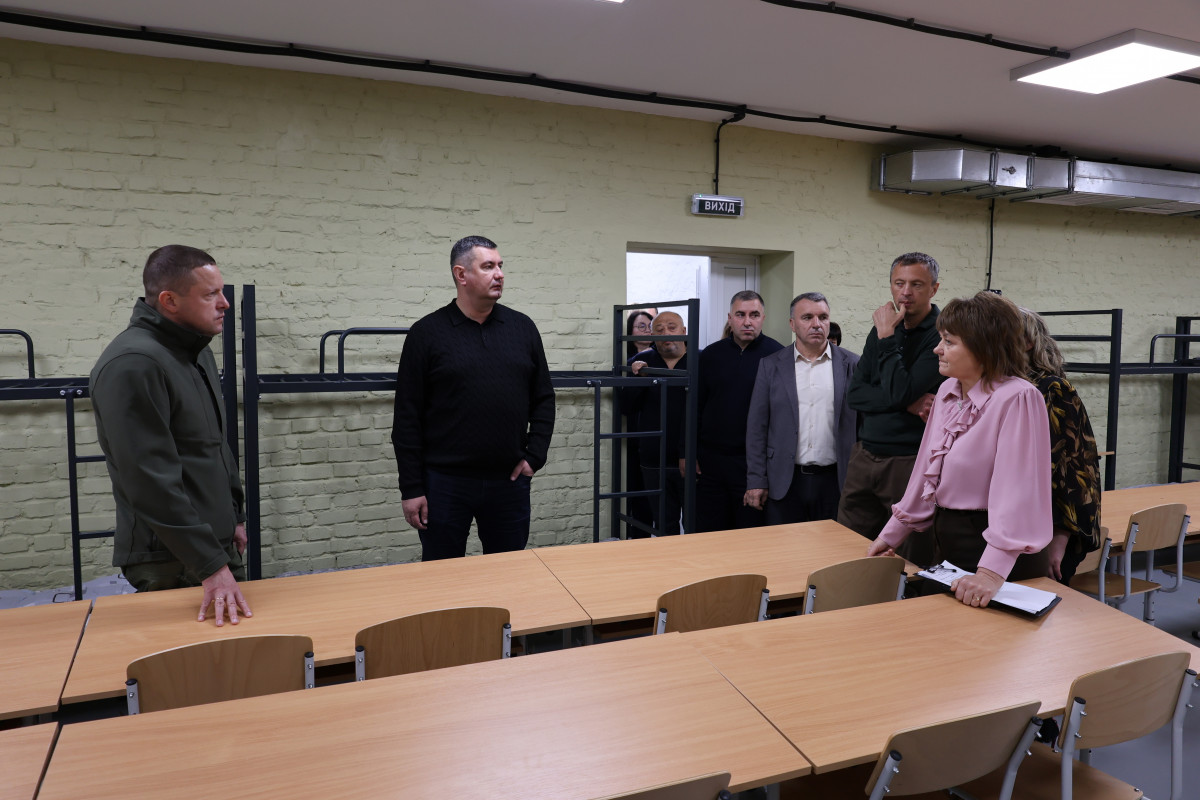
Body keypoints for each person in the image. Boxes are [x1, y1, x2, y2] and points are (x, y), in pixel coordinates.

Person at [90, 245, 249, 626]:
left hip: (210, 549)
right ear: (169, 301)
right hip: (172, 559)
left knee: (240, 655)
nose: (225, 303)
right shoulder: (135, 364)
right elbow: (149, 482)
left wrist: (234, 516)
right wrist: (210, 564)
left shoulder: (195, 352)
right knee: (195, 661)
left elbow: (213, 445)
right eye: (211, 294)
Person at [868, 292, 1052, 608]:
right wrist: (892, 534)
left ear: (984, 348)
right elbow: (925, 470)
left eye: (949, 342)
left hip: (999, 553)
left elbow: (1018, 493)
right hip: (948, 542)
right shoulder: (947, 391)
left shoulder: (1017, 397)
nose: (937, 349)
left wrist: (991, 573)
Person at [391, 236, 555, 560]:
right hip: (444, 484)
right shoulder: (427, 333)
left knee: (508, 569)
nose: (500, 274)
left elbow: (543, 398)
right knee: (443, 574)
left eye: (500, 266)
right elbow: (407, 417)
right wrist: (411, 488)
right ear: (461, 274)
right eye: (488, 266)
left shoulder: (522, 328)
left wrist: (534, 456)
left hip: (509, 480)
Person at [838, 252, 946, 564]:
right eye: (899, 283)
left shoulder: (940, 334)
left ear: (934, 289)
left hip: (908, 460)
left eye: (916, 284)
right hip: (865, 454)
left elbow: (899, 390)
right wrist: (910, 402)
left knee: (908, 556)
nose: (905, 292)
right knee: (848, 546)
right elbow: (855, 395)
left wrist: (887, 337)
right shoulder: (884, 328)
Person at [745, 293, 858, 524]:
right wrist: (756, 479)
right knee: (786, 545)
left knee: (834, 545)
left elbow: (863, 426)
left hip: (836, 480)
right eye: (807, 317)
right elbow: (757, 427)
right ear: (792, 324)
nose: (816, 324)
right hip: (784, 481)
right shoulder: (770, 365)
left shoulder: (853, 364)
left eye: (823, 317)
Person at [690, 291, 784, 531]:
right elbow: (695, 406)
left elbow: (783, 419)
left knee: (748, 534)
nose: (747, 321)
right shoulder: (710, 355)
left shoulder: (778, 356)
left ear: (763, 318)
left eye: (754, 315)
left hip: (753, 465)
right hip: (711, 462)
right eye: (740, 315)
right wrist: (687, 452)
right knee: (709, 533)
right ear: (730, 318)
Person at [1021, 308, 1102, 583]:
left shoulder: (1051, 390)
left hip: (1048, 529)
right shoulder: (1000, 388)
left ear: (1027, 342)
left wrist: (1060, 536)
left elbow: (1075, 469)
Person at [626, 311, 689, 535]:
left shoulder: (702, 360)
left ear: (684, 331)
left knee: (697, 524)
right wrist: (638, 379)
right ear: (652, 336)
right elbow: (626, 408)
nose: (666, 334)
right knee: (663, 525)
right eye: (659, 330)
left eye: (672, 328)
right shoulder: (641, 363)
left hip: (693, 459)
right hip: (654, 458)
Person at [622, 308, 657, 537]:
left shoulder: (661, 359)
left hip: (656, 434)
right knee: (636, 493)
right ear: (631, 332)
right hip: (635, 436)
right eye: (640, 326)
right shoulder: (625, 362)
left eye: (649, 326)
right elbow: (626, 404)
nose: (646, 330)